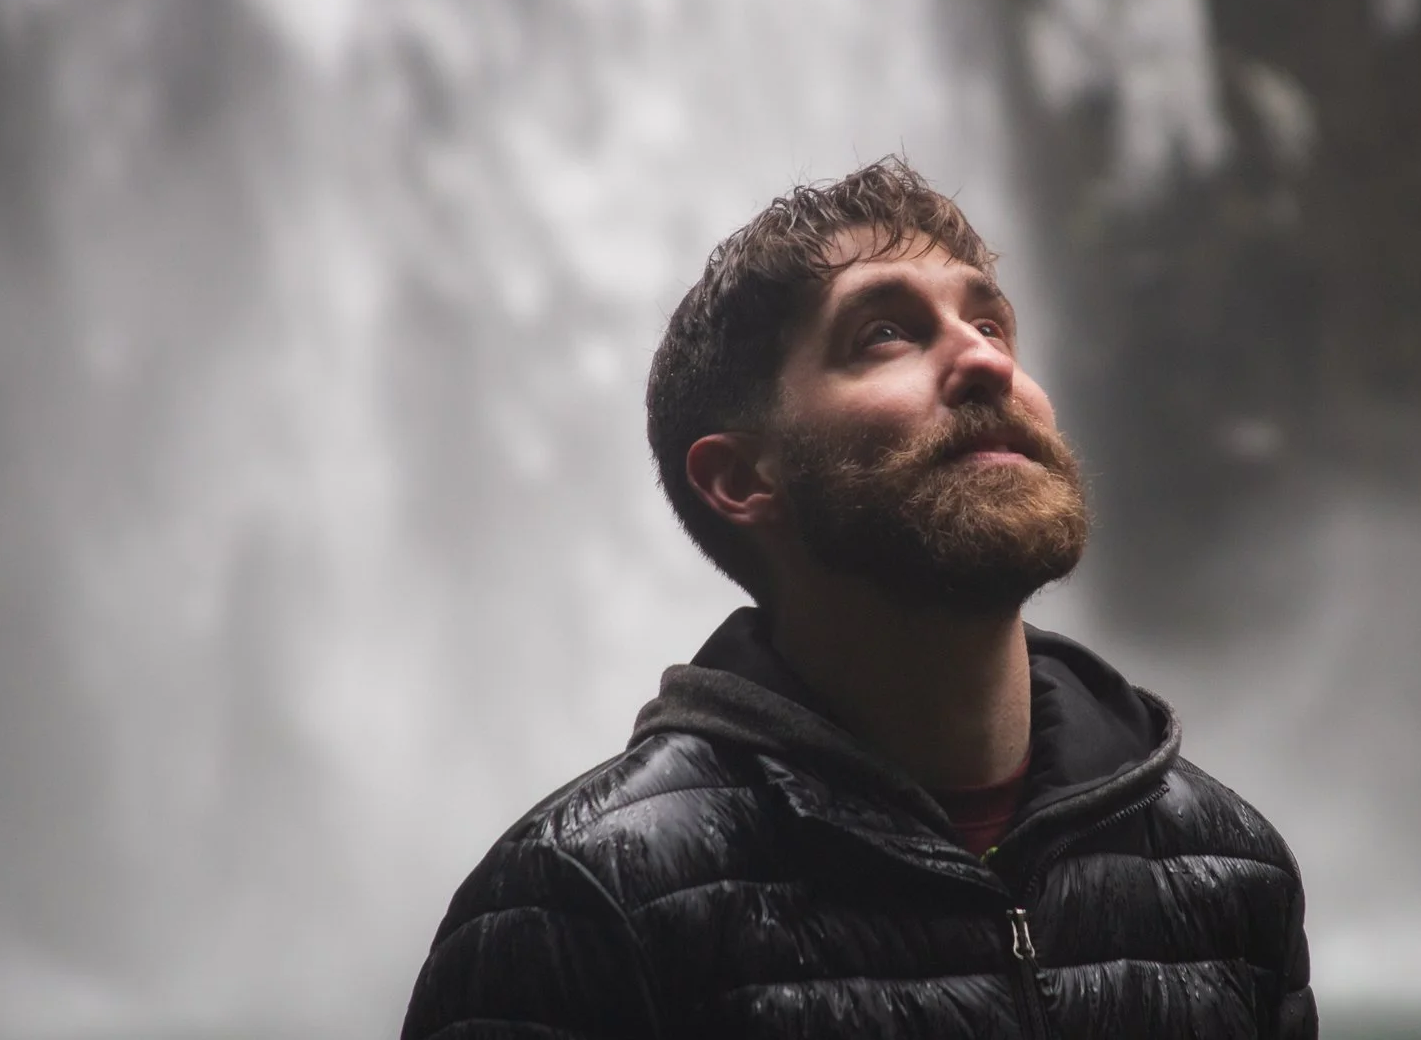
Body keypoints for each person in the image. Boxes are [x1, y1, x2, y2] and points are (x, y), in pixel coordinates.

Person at [400, 159, 1316, 1039]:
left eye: (993, 326)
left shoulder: (1230, 872)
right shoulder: (577, 905)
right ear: (740, 478)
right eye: (885, 333)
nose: (983, 362)